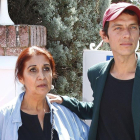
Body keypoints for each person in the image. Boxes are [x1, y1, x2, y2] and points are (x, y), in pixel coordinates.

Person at [48, 2, 140, 140]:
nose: (127, 34)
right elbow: (97, 109)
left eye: (132, 27)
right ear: (104, 36)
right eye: (118, 28)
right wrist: (64, 100)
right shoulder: (96, 73)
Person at [0, 46, 89, 140]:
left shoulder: (66, 115)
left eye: (46, 69)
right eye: (33, 70)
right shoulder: (4, 117)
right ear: (21, 78)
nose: (42, 77)